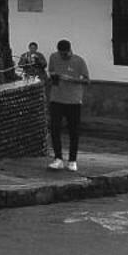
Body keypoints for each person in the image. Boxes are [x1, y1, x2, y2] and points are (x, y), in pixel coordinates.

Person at [45, 39, 89, 171]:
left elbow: (87, 80)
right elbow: (51, 71)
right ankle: (58, 158)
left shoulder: (79, 61)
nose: (63, 56)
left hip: (73, 100)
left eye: (65, 54)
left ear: (70, 50)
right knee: (54, 128)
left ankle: (72, 160)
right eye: (61, 54)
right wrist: (54, 76)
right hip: (57, 98)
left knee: (73, 131)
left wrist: (72, 79)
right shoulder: (53, 57)